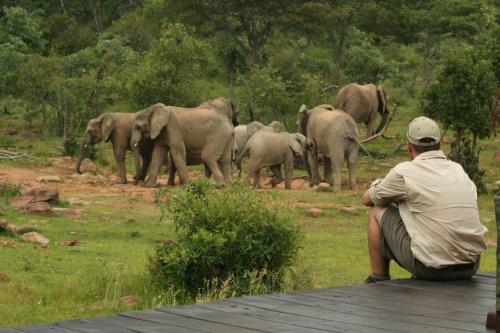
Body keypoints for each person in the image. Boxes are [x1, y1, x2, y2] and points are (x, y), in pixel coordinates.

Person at [361, 116, 487, 283]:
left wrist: (378, 184)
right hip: (470, 265)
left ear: (409, 147)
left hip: (430, 269)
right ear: (439, 144)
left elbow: (367, 199)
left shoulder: (404, 172)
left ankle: (378, 278)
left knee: (377, 210)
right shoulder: (459, 170)